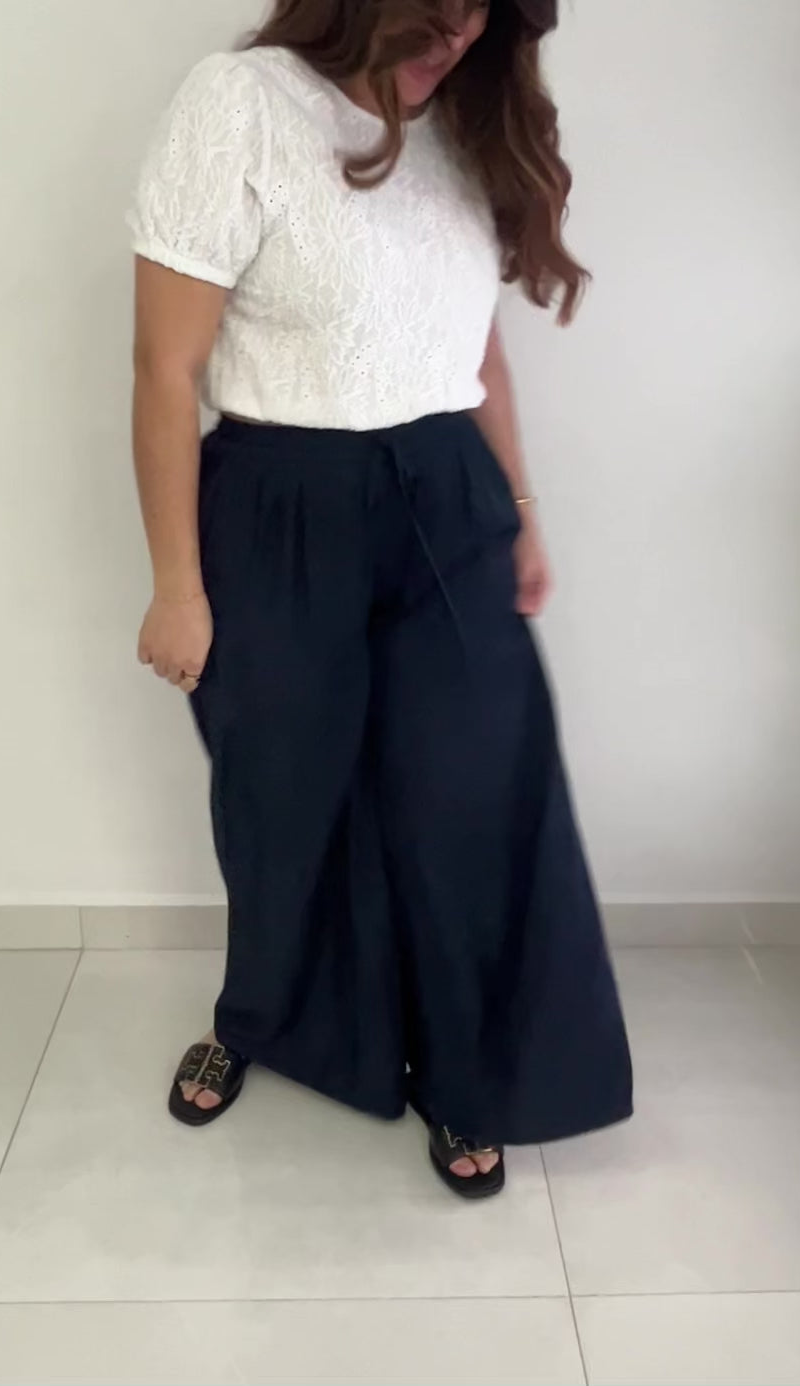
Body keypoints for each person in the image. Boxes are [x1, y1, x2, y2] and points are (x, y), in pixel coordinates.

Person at [129, 0, 632, 1199]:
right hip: (277, 504)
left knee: (463, 797)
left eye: (478, 15)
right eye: (433, 8)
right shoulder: (240, 103)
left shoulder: (464, 126)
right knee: (281, 794)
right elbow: (165, 367)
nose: (453, 36)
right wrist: (176, 586)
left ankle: (463, 1073)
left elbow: (475, 351)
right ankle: (257, 1016)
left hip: (446, 497)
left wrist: (520, 513)